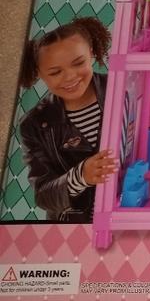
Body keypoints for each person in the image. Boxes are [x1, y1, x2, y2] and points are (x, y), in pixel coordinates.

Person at [18, 17, 117, 222]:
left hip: (124, 214)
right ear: (39, 73)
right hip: (74, 227)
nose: (70, 77)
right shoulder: (33, 125)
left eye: (78, 63)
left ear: (91, 52)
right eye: (55, 72)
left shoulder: (121, 88)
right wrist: (81, 176)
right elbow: (43, 195)